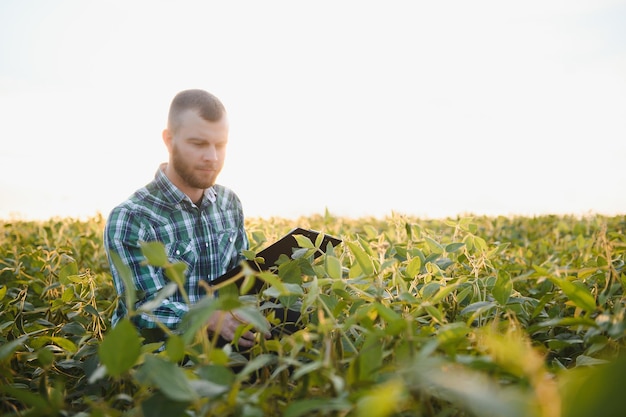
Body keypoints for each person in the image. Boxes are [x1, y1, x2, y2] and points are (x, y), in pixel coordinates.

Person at [104, 89, 268, 348]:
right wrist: (208, 318)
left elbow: (241, 279)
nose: (212, 157)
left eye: (220, 145)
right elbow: (142, 308)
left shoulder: (229, 203)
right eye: (198, 144)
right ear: (169, 140)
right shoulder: (132, 217)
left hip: (225, 351)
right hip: (160, 362)